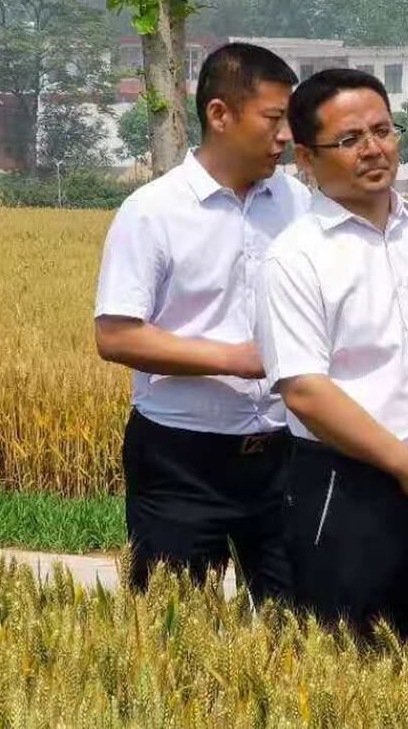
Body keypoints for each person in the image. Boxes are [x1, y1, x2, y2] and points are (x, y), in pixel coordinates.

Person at [257, 68, 408, 638]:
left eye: (383, 130)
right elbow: (304, 389)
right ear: (305, 157)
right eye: (349, 140)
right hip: (347, 490)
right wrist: (404, 465)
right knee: (350, 669)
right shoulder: (295, 257)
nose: (374, 149)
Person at [93, 43, 306, 598]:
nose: (286, 136)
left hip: (286, 454)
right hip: (181, 459)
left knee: (301, 631)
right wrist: (238, 359)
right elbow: (115, 335)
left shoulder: (301, 205)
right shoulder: (153, 211)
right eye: (274, 119)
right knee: (174, 632)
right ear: (219, 114)